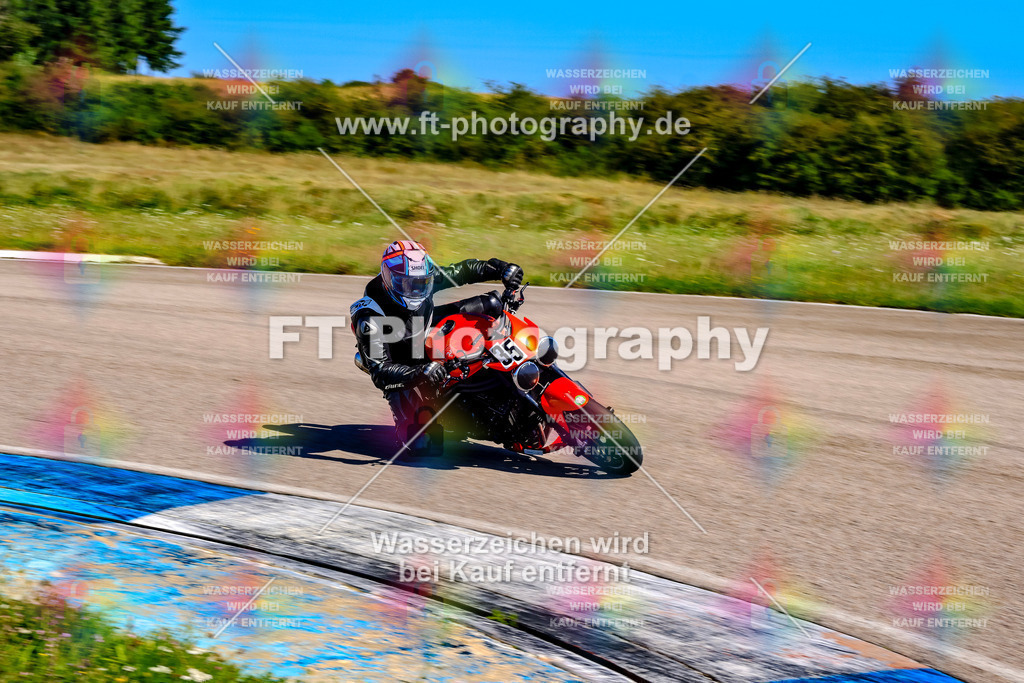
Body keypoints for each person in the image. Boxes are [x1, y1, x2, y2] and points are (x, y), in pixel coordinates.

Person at [350, 240, 523, 445]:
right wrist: (418, 373)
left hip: (423, 327)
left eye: (421, 283)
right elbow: (380, 371)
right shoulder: (368, 314)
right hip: (399, 362)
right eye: (406, 283)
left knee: (492, 304)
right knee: (422, 444)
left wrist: (501, 269)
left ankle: (509, 364)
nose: (415, 290)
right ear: (388, 277)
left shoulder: (424, 278)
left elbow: (462, 271)